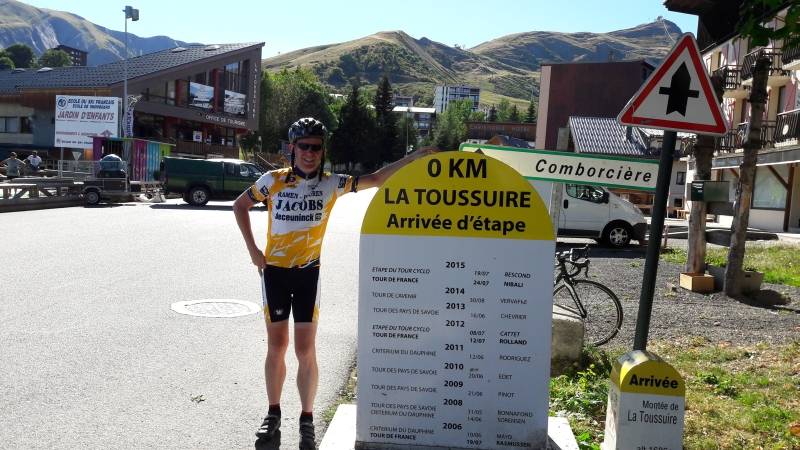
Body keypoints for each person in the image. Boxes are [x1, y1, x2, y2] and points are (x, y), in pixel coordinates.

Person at [233, 117, 434, 449]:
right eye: (304, 147)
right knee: (277, 346)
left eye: (316, 147)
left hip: (308, 273)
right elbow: (240, 206)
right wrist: (254, 251)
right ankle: (272, 414)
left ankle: (307, 419)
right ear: (292, 149)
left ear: (322, 150)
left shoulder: (332, 183)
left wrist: (413, 157)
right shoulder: (273, 181)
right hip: (276, 274)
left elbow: (377, 178)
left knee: (304, 349)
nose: (310, 153)